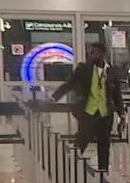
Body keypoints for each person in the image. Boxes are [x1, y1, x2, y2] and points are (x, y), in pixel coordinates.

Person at [49, 42, 124, 172]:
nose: (93, 55)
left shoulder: (111, 72)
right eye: (92, 53)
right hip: (88, 113)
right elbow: (69, 84)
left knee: (104, 145)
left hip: (105, 115)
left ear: (103, 54)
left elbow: (117, 94)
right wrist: (54, 97)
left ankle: (103, 171)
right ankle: (69, 168)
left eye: (96, 52)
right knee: (81, 141)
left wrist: (121, 114)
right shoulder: (83, 69)